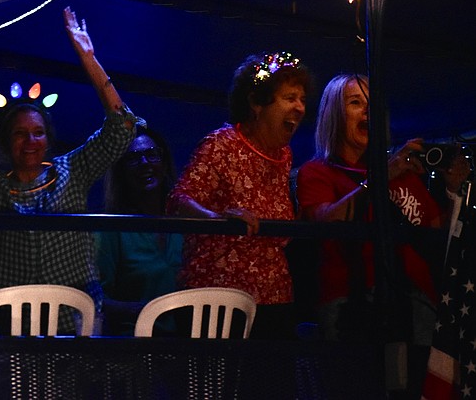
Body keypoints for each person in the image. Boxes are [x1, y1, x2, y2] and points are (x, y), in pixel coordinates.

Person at [0, 5, 137, 334]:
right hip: (12, 320)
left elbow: (123, 127)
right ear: (5, 142)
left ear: (48, 138)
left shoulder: (72, 170)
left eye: (38, 132)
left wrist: (89, 59)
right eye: (20, 134)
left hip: (74, 316)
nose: (30, 141)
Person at [295, 74, 470, 346]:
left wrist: (453, 190)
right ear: (335, 114)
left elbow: (437, 231)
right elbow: (324, 224)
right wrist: (381, 177)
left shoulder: (402, 173)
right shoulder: (317, 172)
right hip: (352, 304)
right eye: (355, 102)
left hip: (416, 303)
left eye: (373, 105)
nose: (367, 111)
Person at [168, 51, 310, 340]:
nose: (300, 107)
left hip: (274, 300)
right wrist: (217, 219)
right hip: (218, 301)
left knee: (269, 384)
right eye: (289, 98)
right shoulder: (222, 144)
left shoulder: (284, 155)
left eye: (303, 99)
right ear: (257, 103)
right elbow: (179, 199)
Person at [96, 127, 182, 335]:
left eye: (151, 154)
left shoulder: (185, 219)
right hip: (135, 345)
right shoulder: (112, 229)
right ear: (121, 170)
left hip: (188, 342)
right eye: (133, 158)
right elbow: (97, 299)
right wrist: (144, 311)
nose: (144, 164)